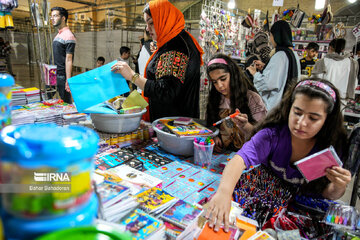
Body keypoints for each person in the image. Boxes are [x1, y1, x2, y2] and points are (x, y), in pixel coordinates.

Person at [205, 79, 351, 232]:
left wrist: (339, 185)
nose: (301, 123)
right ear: (289, 108)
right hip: (261, 192)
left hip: (299, 207)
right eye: (297, 112)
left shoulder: (329, 149)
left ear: (327, 120)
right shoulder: (272, 135)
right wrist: (224, 193)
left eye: (313, 118)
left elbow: (328, 193)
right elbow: (239, 159)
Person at [111, 0, 204, 122]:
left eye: (151, 23)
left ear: (164, 19)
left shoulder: (176, 47)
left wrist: (133, 76)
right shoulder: (173, 42)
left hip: (174, 127)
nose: (147, 28)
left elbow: (165, 91)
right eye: (146, 24)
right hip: (172, 122)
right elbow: (160, 80)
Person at [206, 54, 267, 152]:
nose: (220, 86)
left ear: (233, 74)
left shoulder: (252, 98)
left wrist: (245, 125)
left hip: (248, 156)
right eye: (214, 82)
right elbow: (210, 126)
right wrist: (214, 137)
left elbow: (263, 135)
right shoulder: (215, 98)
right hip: (223, 155)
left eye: (223, 79)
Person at [247, 20, 301, 111]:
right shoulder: (293, 54)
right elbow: (282, 74)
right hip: (287, 103)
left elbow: (267, 83)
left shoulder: (280, 55)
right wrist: (266, 67)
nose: (271, 40)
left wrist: (255, 73)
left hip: (275, 106)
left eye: (271, 36)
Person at [51, 6, 76, 104]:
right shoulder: (59, 34)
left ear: (63, 18)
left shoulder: (68, 35)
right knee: (47, 98)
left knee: (67, 104)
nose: (52, 19)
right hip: (53, 73)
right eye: (51, 16)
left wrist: (68, 80)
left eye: (55, 16)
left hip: (62, 75)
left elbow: (69, 59)